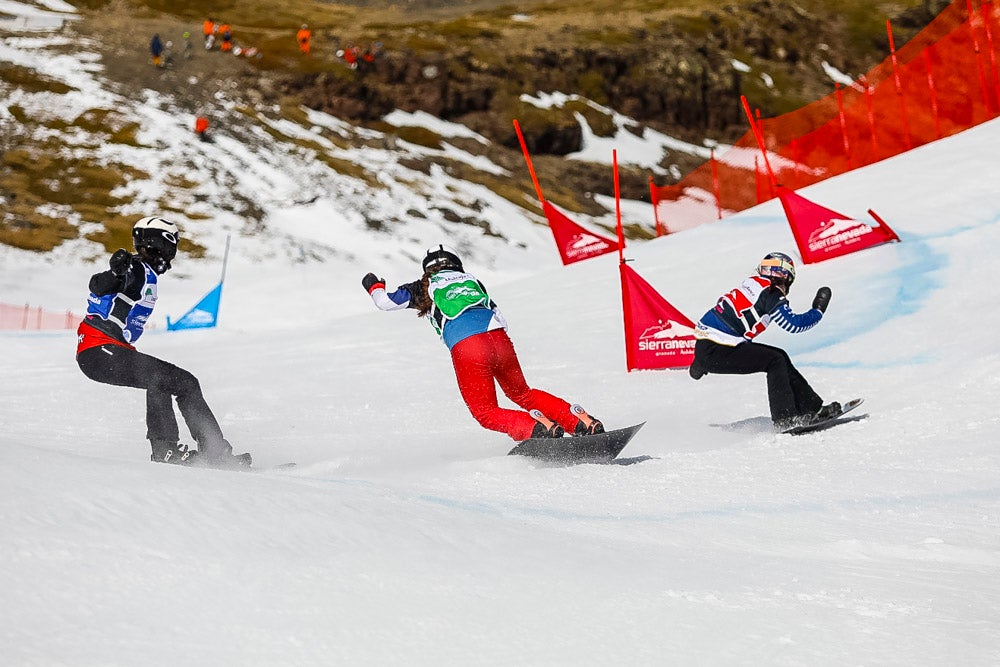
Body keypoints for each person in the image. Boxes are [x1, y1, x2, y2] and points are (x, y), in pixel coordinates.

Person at [362, 245, 604, 442]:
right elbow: (501, 317)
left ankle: (538, 429)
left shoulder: (421, 287)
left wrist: (373, 285)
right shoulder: (472, 281)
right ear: (456, 264)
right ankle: (581, 421)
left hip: (468, 347)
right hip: (499, 339)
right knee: (523, 393)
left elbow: (384, 302)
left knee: (485, 412)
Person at [76, 216, 252, 468]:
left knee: (185, 382)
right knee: (159, 377)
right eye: (172, 244)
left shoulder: (143, 271)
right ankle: (165, 451)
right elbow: (99, 285)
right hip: (99, 350)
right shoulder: (135, 269)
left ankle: (214, 451)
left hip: (106, 351)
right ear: (162, 244)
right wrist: (115, 273)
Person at [688, 251, 838, 430]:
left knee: (779, 355)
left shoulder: (752, 283)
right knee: (775, 361)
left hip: (707, 346)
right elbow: (793, 325)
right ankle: (785, 419)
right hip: (718, 349)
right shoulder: (770, 294)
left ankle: (812, 408)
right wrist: (818, 310)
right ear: (786, 277)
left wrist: (700, 361)